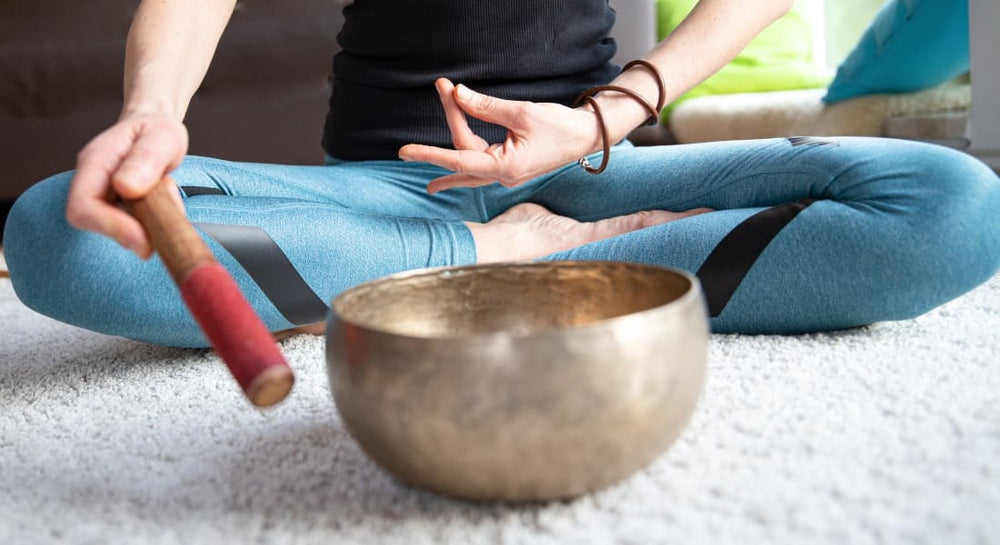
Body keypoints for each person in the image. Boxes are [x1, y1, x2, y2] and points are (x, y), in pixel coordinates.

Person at [4, 0, 999, 347]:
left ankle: (486, 263)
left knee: (954, 206)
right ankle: (493, 258)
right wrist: (150, 117)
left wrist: (601, 119)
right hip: (384, 187)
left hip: (590, 167)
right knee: (62, 231)